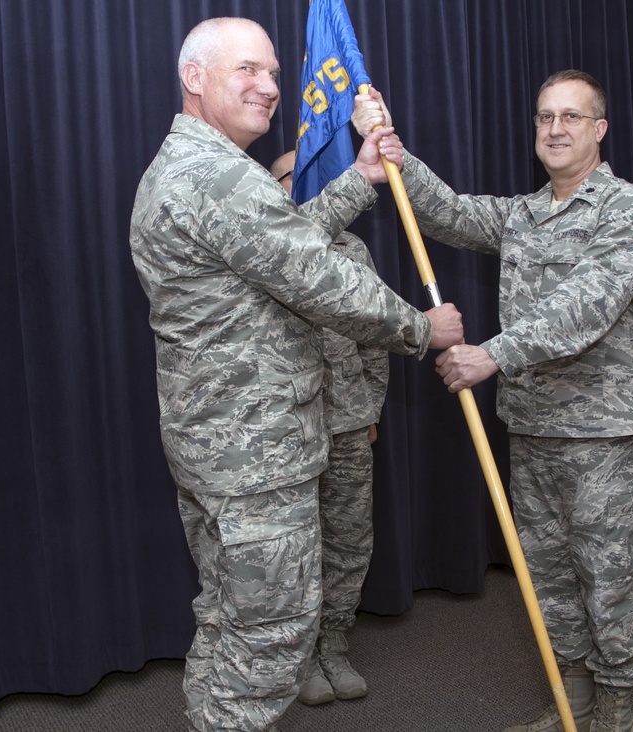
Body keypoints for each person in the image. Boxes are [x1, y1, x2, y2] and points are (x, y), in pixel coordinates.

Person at [129, 17, 463, 732]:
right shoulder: (218, 176)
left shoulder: (192, 169)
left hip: (223, 447)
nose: (272, 87)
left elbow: (279, 243)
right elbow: (317, 276)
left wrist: (360, 179)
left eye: (275, 73)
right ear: (195, 77)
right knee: (270, 637)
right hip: (254, 457)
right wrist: (420, 329)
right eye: (247, 70)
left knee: (227, 619)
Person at [354, 70, 633, 732]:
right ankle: (572, 695)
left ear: (599, 130)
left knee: (607, 580)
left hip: (601, 436)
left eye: (571, 118)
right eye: (544, 118)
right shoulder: (525, 214)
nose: (555, 129)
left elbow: (588, 305)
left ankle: (616, 707)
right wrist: (397, 156)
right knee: (549, 578)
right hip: (532, 430)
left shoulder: (628, 211)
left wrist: (493, 353)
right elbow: (451, 213)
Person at [270, 149, 387, 706]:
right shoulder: (261, 249)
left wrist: (371, 408)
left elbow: (376, 335)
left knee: (347, 541)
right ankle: (301, 656)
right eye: (284, 176)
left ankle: (334, 645)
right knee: (295, 547)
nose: (296, 182)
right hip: (285, 432)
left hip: (346, 421)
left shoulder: (352, 249)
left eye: (304, 173)